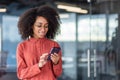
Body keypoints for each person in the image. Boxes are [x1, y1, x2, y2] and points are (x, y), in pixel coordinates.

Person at [16, 5, 62, 80]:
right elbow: (21, 74)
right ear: (31, 26)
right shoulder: (22, 46)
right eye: (39, 26)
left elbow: (58, 73)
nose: (43, 29)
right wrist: (38, 66)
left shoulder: (54, 45)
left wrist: (56, 63)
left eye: (46, 26)